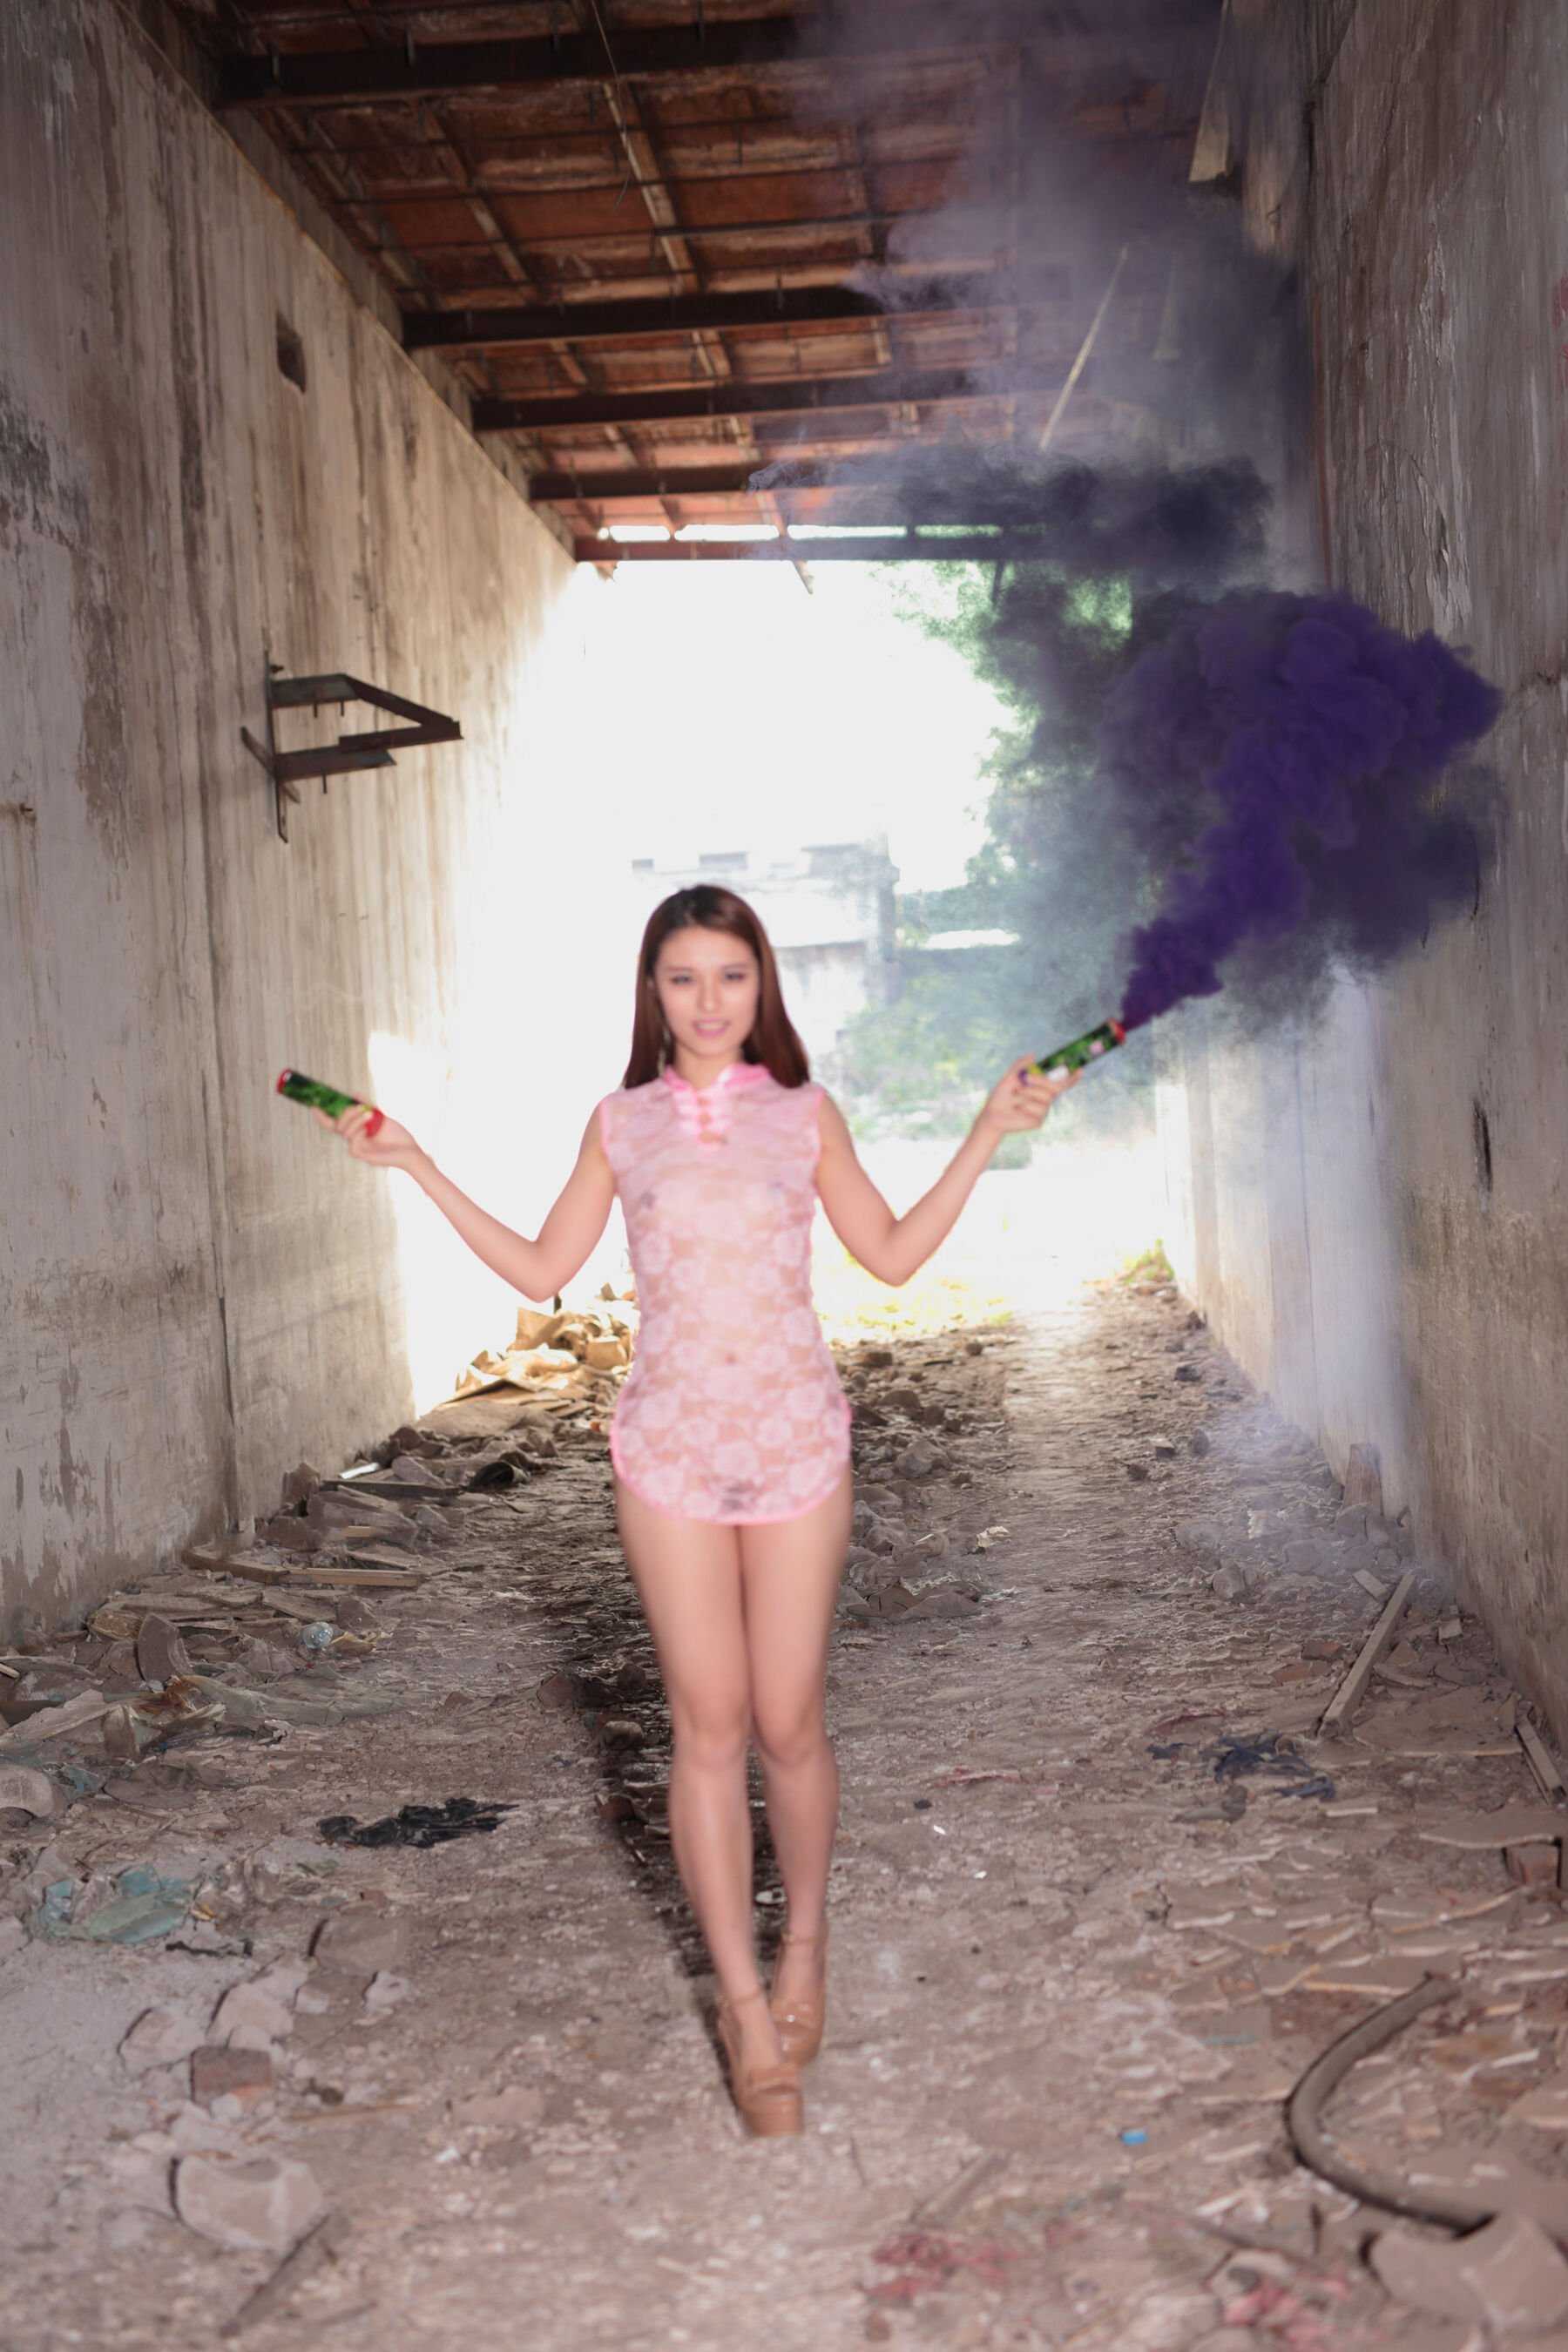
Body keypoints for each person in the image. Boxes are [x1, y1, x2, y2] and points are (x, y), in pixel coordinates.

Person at [321, 884, 1078, 2137]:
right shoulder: (621, 1124)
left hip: (796, 1443)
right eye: (684, 977)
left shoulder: (804, 1114)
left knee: (789, 1719)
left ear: (761, 985)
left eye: (731, 975)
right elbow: (544, 1269)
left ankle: (805, 1949)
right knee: (708, 1725)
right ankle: (742, 2010)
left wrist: (991, 1128)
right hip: (667, 1450)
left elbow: (891, 1255)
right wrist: (415, 1164)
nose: (709, 1000)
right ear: (653, 992)